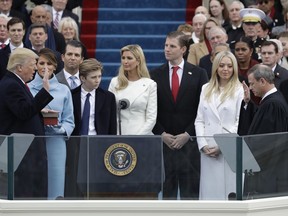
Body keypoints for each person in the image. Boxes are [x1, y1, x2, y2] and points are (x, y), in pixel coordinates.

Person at [150, 31, 208, 200]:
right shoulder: (154, 75)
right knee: (167, 194)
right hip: (165, 144)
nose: (167, 49)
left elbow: (202, 109)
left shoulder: (199, 74)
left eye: (172, 46)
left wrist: (188, 134)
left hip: (189, 144)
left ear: (183, 49)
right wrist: (161, 134)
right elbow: (152, 109)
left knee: (190, 195)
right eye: (166, 45)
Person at [0, 48, 53, 198]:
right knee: (25, 194)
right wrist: (45, 91)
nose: (36, 68)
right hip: (21, 153)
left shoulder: (16, 83)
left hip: (25, 152)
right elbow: (23, 112)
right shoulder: (11, 85)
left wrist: (39, 112)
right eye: (32, 64)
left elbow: (22, 110)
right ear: (19, 67)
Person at [195, 51, 244, 200]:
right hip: (208, 148)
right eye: (222, 65)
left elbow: (238, 121)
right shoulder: (206, 88)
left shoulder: (239, 89)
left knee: (230, 191)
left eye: (229, 66)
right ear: (215, 67)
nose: (225, 69)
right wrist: (203, 145)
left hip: (230, 147)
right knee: (211, 191)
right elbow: (199, 120)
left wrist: (223, 146)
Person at [66, 58, 117, 198]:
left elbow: (112, 127)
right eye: (93, 77)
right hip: (76, 144)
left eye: (99, 76)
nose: (98, 80)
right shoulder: (71, 95)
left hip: (99, 144)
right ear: (82, 78)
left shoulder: (108, 97)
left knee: (96, 182)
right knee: (75, 180)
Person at [28, 48, 74, 200]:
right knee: (33, 180)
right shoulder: (27, 88)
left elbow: (69, 120)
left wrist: (60, 130)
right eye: (41, 63)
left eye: (49, 63)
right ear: (36, 65)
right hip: (33, 141)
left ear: (55, 66)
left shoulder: (64, 90)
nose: (45, 67)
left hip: (56, 141)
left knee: (56, 182)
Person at [239, 64, 288, 198]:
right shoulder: (271, 101)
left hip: (268, 175)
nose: (250, 87)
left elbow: (265, 141)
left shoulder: (272, 104)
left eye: (252, 84)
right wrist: (248, 103)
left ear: (262, 81)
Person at [108, 44, 157, 135]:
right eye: (123, 58)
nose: (125, 61)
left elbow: (151, 118)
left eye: (129, 58)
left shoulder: (150, 84)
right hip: (118, 134)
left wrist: (137, 138)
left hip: (141, 135)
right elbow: (109, 111)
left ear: (138, 61)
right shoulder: (115, 82)